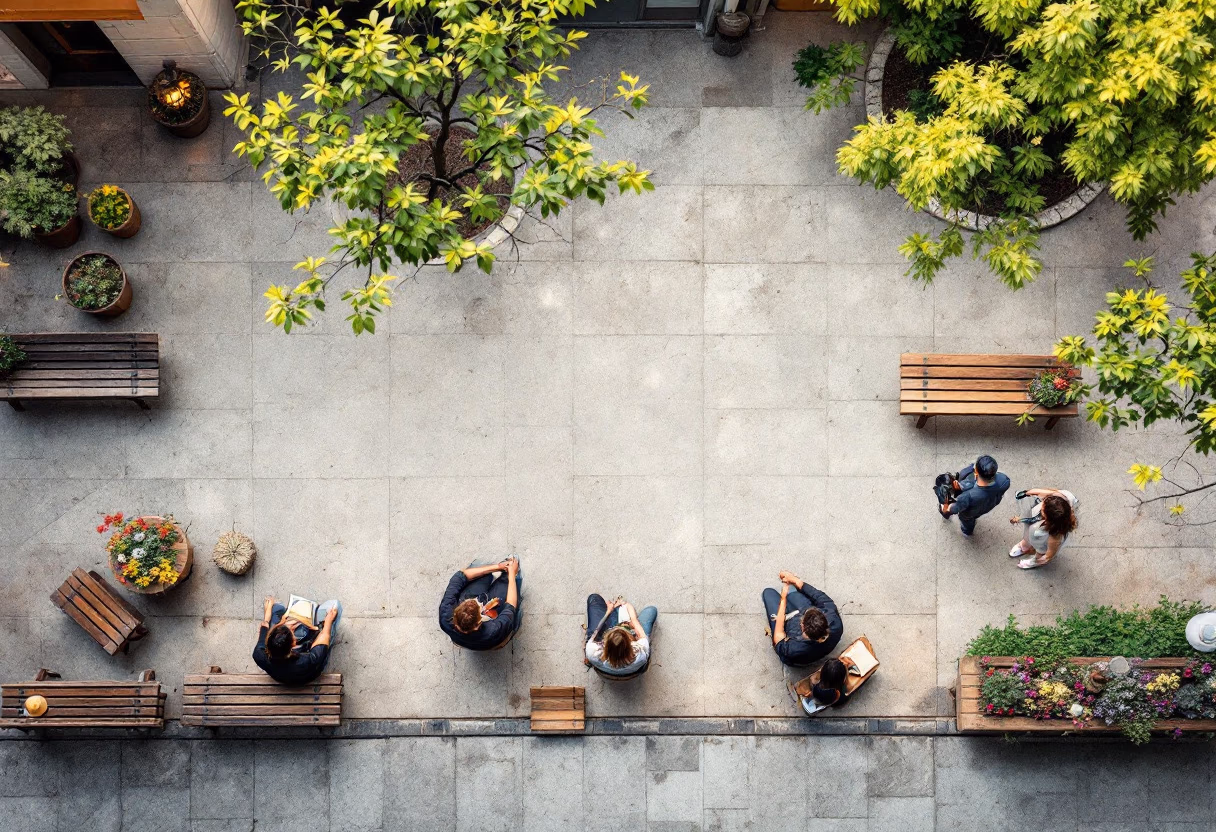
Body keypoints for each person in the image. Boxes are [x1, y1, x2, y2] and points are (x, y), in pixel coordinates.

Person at [253, 594, 341, 685]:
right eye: (292, 635)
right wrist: (328, 621)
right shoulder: (307, 660)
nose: (292, 631)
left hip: (280, 676)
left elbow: (265, 626)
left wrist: (277, 621)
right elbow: (325, 636)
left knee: (275, 608)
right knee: (335, 606)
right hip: (308, 673)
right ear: (293, 644)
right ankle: (312, 632)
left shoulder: (259, 655)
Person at [761, 570, 843, 667]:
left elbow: (778, 636)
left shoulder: (794, 648)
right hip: (819, 649)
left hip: (797, 652)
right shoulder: (833, 617)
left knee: (768, 593)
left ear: (803, 628)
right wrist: (793, 579)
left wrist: (783, 599)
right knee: (792, 591)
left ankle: (786, 603)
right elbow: (817, 595)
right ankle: (791, 598)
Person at [438, 557, 522, 650]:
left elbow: (461, 576)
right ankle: (513, 575)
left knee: (481, 574)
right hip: (489, 640)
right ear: (478, 624)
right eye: (479, 606)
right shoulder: (493, 631)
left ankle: (500, 570)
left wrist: (498, 567)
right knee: (513, 612)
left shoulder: (445, 614)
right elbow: (510, 606)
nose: (480, 602)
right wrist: (512, 574)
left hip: (465, 635)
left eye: (468, 601)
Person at [937, 455, 1011, 537]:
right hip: (989, 505)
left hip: (970, 513)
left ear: (976, 472)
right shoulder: (1004, 480)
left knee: (967, 522)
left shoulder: (967, 497)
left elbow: (955, 508)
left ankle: (967, 532)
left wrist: (946, 507)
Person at [585, 593, 657, 677]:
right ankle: (616, 611)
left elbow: (595, 632)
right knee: (651, 610)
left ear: (605, 644)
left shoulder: (593, 653)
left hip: (605, 669)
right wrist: (632, 618)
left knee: (593, 598)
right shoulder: (640, 654)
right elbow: (641, 635)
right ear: (630, 643)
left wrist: (608, 611)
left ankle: (614, 612)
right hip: (632, 669)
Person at [1009, 488, 1079, 569]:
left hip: (1042, 541)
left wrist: (1043, 559)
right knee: (1028, 531)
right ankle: (1025, 545)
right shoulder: (1058, 500)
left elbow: (1049, 553)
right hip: (1037, 527)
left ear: (1048, 518)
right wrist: (1027, 493)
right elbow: (1049, 493)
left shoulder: (1055, 536)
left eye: (1043, 508)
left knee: (1041, 551)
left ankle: (1035, 561)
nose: (1041, 504)